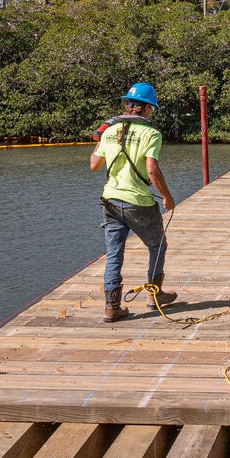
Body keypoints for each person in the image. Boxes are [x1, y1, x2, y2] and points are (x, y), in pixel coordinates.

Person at [89, 82, 176, 322]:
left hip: (111, 200)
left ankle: (112, 306)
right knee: (157, 246)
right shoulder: (152, 133)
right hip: (138, 201)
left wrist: (101, 140)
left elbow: (94, 165)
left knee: (114, 251)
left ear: (127, 105)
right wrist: (167, 197)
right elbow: (152, 170)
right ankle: (154, 296)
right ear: (147, 109)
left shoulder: (109, 131)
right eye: (152, 109)